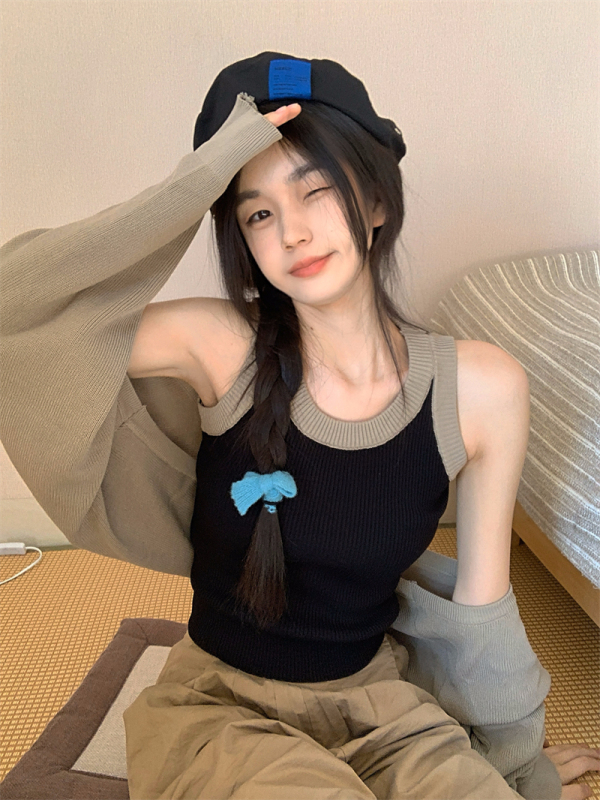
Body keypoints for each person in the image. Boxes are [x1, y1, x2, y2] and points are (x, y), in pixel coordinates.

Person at [1, 52, 598, 800]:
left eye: (316, 190)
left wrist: (510, 764)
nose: (292, 232)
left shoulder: (482, 388)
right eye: (258, 213)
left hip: (385, 711)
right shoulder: (221, 347)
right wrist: (200, 178)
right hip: (220, 715)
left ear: (375, 201)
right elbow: (13, 315)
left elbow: (483, 609)